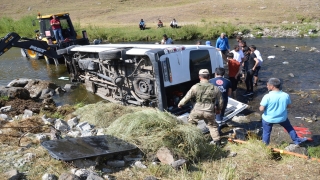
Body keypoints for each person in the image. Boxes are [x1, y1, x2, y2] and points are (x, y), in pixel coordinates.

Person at [178, 69, 223, 145]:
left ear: (199, 77)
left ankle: (192, 142)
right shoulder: (215, 88)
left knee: (191, 125)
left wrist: (180, 104)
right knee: (212, 126)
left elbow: (187, 97)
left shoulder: (195, 87)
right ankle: (217, 142)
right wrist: (219, 109)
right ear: (209, 77)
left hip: (196, 111)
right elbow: (221, 101)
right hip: (209, 111)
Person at [259, 78, 308, 145]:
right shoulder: (285, 95)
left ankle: (265, 145)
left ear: (272, 86)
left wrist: (262, 107)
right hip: (282, 118)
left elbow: (261, 109)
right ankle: (297, 141)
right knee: (290, 128)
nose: (267, 86)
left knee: (266, 132)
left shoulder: (267, 96)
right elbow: (289, 106)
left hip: (268, 119)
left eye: (268, 85)